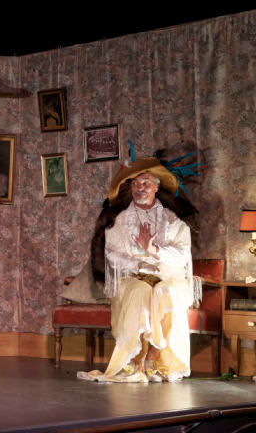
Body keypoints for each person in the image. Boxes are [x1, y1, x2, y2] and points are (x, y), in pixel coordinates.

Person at [78, 157, 197, 383]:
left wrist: (154, 250)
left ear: (156, 187)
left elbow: (182, 255)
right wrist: (139, 265)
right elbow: (112, 255)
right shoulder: (120, 221)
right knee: (139, 293)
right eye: (135, 183)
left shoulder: (173, 221)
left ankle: (157, 358)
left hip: (168, 277)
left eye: (145, 183)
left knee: (165, 293)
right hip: (134, 277)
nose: (139, 188)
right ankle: (135, 361)